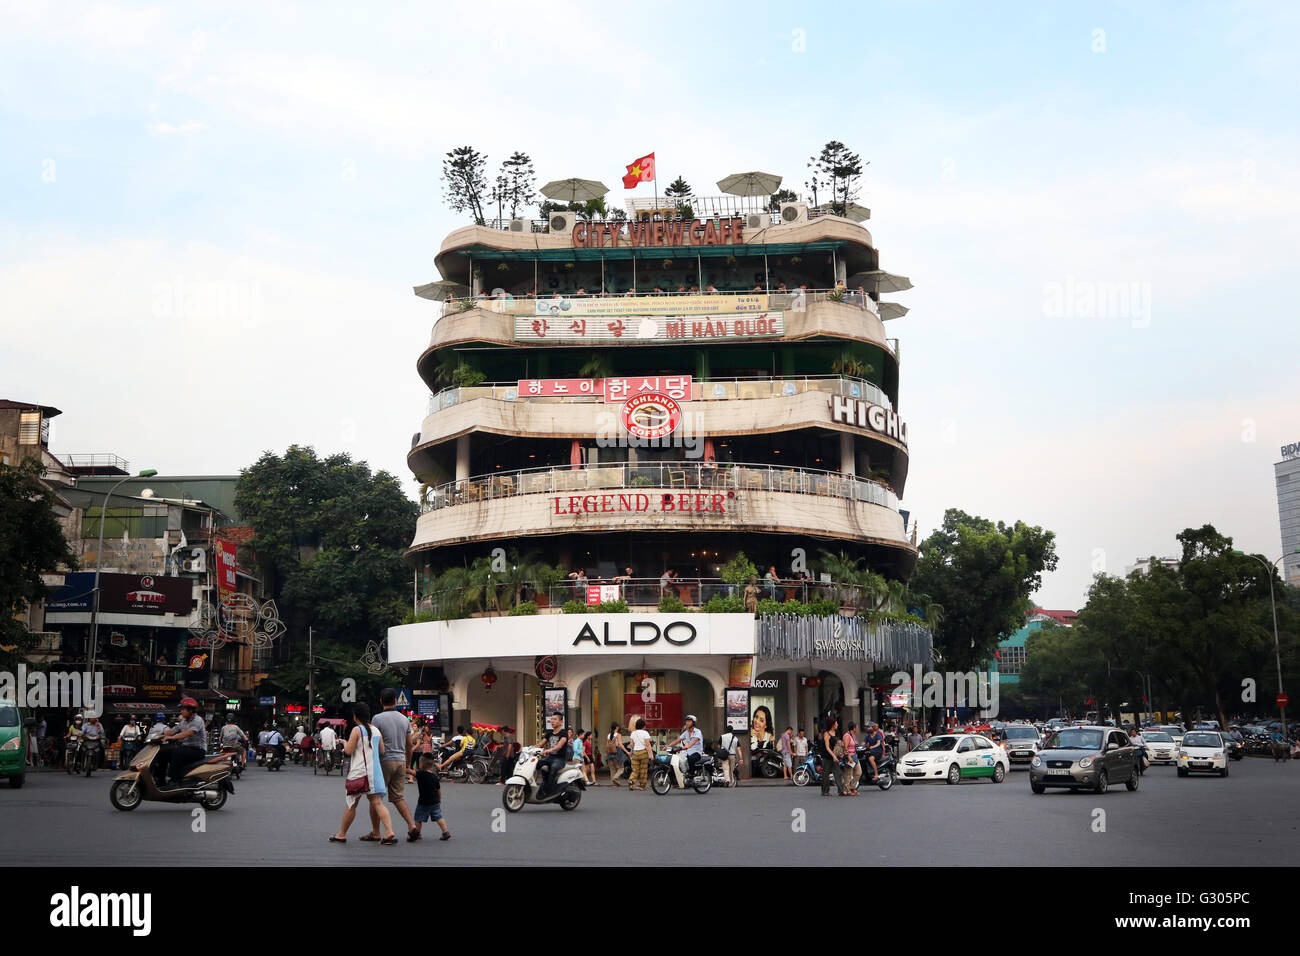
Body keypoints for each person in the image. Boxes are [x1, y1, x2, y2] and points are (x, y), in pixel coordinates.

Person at [329, 702, 397, 845]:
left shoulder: (357, 730)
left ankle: (341, 834)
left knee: (351, 804)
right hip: (375, 772)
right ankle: (389, 831)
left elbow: (348, 751)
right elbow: (382, 751)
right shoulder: (376, 730)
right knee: (378, 803)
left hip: (359, 773)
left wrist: (344, 742)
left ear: (355, 716)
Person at [371, 688, 417, 842]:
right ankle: (412, 826)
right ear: (396, 701)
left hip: (384, 760)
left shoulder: (377, 719)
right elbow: (409, 744)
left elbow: (374, 741)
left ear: (381, 702)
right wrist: (408, 763)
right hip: (401, 761)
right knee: (398, 797)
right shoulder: (405, 720)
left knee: (375, 797)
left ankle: (376, 832)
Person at [160, 698, 207, 785]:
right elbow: (173, 730)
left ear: (190, 710)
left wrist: (172, 738)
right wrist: (160, 735)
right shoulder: (184, 721)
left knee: (177, 752)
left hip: (198, 750)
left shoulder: (197, 720)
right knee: (162, 753)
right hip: (187, 748)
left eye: (183, 709)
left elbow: (187, 733)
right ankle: (160, 781)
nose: (181, 711)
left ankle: (175, 781)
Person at [407, 754, 450, 842]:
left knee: (418, 819)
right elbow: (438, 789)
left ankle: (417, 834)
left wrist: (404, 769)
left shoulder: (421, 774)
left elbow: (411, 772)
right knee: (439, 817)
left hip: (424, 802)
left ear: (422, 764)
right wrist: (439, 799)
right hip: (435, 801)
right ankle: (446, 832)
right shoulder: (434, 777)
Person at [537, 712, 570, 796]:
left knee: (553, 768)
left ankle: (551, 791)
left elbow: (559, 746)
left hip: (559, 760)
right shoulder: (549, 733)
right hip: (549, 758)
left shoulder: (564, 733)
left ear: (561, 722)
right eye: (551, 719)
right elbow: (540, 744)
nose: (552, 721)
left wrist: (548, 750)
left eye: (555, 719)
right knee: (536, 764)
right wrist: (528, 748)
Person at [670, 715, 704, 788]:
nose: (687, 723)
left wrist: (686, 747)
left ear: (693, 723)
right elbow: (678, 740)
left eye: (689, 721)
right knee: (679, 762)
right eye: (686, 721)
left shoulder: (698, 732)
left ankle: (691, 776)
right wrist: (668, 746)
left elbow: (693, 742)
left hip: (696, 753)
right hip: (687, 752)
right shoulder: (686, 732)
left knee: (691, 758)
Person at [628, 717, 652, 791]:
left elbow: (631, 745)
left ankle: (631, 781)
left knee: (635, 770)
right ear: (643, 726)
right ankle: (642, 785)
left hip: (635, 753)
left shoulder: (633, 733)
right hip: (643, 753)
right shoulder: (645, 733)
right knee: (643, 770)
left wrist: (632, 751)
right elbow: (648, 745)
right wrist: (651, 754)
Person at [819, 716, 839, 796]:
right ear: (832, 724)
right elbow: (827, 748)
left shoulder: (836, 733)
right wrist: (834, 756)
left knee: (838, 773)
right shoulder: (826, 734)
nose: (837, 724)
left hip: (834, 756)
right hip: (827, 757)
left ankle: (841, 790)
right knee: (825, 774)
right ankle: (825, 791)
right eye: (836, 723)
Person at [841, 722, 861, 795]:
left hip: (854, 756)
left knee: (858, 772)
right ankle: (847, 789)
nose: (857, 729)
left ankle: (852, 787)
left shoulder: (853, 735)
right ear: (854, 728)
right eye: (856, 727)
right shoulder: (847, 736)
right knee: (848, 774)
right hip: (849, 757)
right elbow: (845, 747)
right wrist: (849, 757)